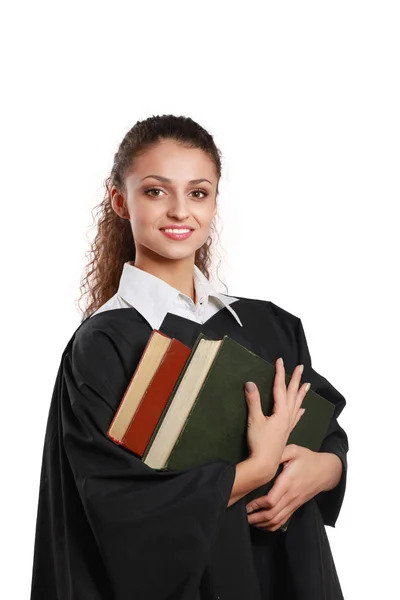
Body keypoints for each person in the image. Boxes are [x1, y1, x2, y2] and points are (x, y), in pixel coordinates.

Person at [30, 114, 348, 600]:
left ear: (215, 201)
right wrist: (255, 472)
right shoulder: (104, 345)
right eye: (156, 191)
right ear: (120, 200)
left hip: (288, 576)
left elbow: (327, 434)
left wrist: (326, 469)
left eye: (198, 193)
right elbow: (116, 508)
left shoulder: (269, 325)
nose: (180, 211)